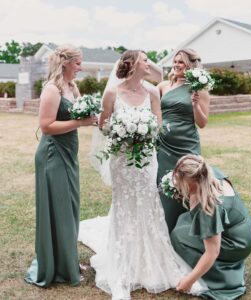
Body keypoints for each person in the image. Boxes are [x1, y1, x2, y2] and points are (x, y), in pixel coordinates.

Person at [79, 50, 207, 299]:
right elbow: (104, 126)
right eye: (145, 61)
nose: (150, 64)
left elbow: (158, 125)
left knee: (148, 205)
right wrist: (122, 132)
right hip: (123, 161)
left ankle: (151, 260)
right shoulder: (112, 93)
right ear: (132, 64)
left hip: (147, 161)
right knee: (124, 207)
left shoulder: (151, 92)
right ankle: (122, 269)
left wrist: (144, 133)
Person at [25, 44, 97, 287]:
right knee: (60, 210)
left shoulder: (71, 87)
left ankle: (68, 259)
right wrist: (80, 122)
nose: (81, 67)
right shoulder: (52, 89)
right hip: (53, 155)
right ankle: (59, 265)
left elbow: (81, 115)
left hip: (69, 154)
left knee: (70, 209)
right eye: (78, 63)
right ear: (65, 63)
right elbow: (46, 126)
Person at [170, 154, 251, 300]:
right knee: (183, 220)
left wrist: (189, 281)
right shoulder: (208, 172)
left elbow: (212, 252)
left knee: (179, 237)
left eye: (181, 182)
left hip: (236, 243)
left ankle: (221, 278)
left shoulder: (209, 207)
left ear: (193, 184)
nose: (177, 184)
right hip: (244, 230)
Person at [157, 48, 210, 233]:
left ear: (190, 65)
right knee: (163, 189)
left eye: (181, 62)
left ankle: (186, 232)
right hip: (163, 147)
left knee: (189, 187)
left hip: (187, 145)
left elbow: (202, 123)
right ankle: (165, 231)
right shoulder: (163, 86)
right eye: (175, 61)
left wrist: (195, 104)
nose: (176, 65)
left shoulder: (199, 89)